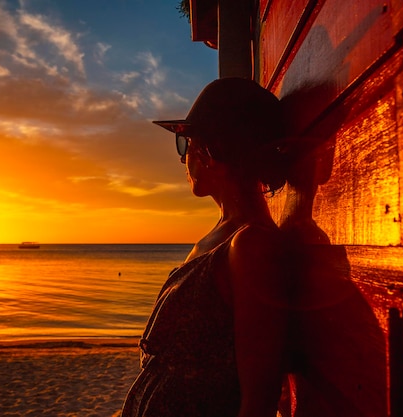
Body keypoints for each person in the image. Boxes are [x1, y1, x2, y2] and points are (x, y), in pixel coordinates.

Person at [121, 77, 290, 417]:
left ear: (209, 154)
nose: (184, 159)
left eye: (185, 146)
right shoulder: (221, 235)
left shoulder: (250, 246)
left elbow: (259, 396)